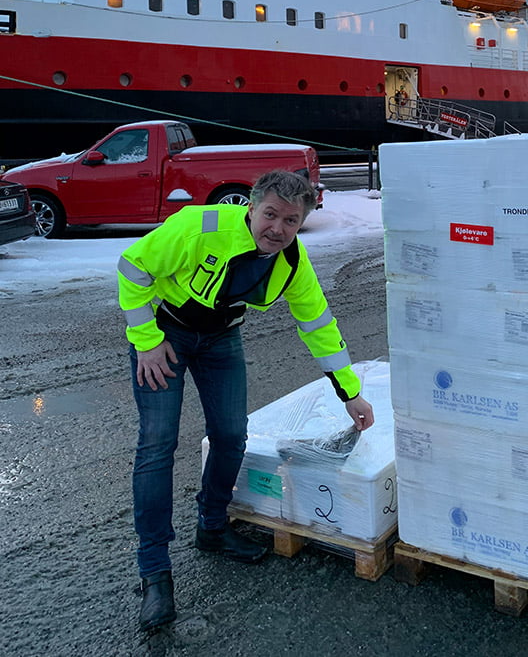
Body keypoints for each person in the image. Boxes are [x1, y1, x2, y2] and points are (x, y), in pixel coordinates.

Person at [117, 170, 374, 632]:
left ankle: (212, 527)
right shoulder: (201, 226)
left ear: (302, 223)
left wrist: (350, 393)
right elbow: (133, 266)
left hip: (220, 338)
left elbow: (318, 325)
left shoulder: (291, 262)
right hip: (165, 332)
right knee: (157, 446)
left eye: (291, 221)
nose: (277, 229)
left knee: (232, 435)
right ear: (251, 207)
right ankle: (154, 571)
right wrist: (146, 341)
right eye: (270, 214)